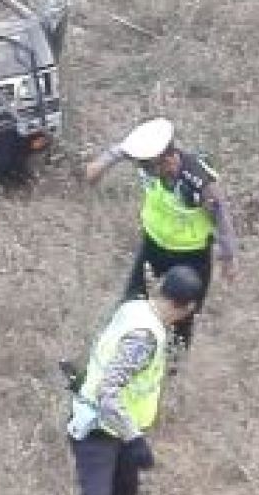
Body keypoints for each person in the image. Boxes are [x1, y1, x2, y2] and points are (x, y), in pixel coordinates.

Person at [52, 264, 205, 495]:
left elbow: (105, 351)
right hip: (98, 428)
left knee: (126, 487)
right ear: (189, 307)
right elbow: (109, 391)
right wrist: (134, 439)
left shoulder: (135, 307)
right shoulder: (145, 338)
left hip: (119, 426)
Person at [84, 118, 237, 355]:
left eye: (149, 167)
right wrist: (99, 166)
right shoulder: (149, 159)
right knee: (130, 304)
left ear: (168, 158)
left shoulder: (197, 181)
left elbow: (221, 215)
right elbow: (121, 151)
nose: (145, 171)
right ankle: (111, 352)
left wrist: (228, 256)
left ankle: (171, 367)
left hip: (190, 258)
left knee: (182, 319)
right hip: (153, 246)